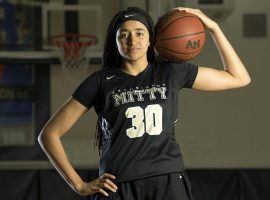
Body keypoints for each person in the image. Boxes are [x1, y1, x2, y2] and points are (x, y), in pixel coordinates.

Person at [38, 6, 251, 200]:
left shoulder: (171, 71)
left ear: (151, 39)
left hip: (167, 182)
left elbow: (239, 77)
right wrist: (78, 184)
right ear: (116, 41)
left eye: (140, 33)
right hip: (117, 187)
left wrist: (213, 28)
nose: (133, 41)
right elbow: (49, 134)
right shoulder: (100, 81)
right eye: (124, 35)